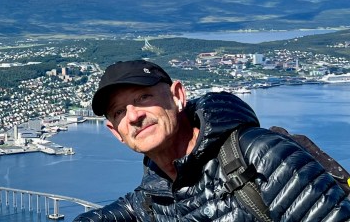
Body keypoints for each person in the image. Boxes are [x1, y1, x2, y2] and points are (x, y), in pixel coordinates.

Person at [75, 59, 350, 222]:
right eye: (119, 112)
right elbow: (123, 211)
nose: (134, 116)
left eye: (143, 97)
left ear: (178, 96)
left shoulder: (260, 155)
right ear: (116, 132)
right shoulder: (154, 192)